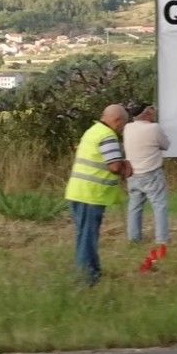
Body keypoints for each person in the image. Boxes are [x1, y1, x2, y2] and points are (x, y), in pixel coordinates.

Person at [64, 104, 132, 285]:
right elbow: (114, 166)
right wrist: (125, 166)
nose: (123, 129)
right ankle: (86, 280)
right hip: (91, 194)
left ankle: (92, 271)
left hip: (79, 192)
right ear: (117, 120)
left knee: (84, 236)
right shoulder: (107, 135)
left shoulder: (92, 131)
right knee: (88, 237)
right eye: (123, 124)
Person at [123, 104, 171, 246]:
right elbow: (166, 145)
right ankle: (162, 239)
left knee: (134, 206)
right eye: (151, 111)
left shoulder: (127, 128)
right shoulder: (154, 128)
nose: (153, 113)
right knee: (159, 205)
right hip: (151, 172)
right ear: (146, 114)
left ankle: (134, 238)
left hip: (132, 173)